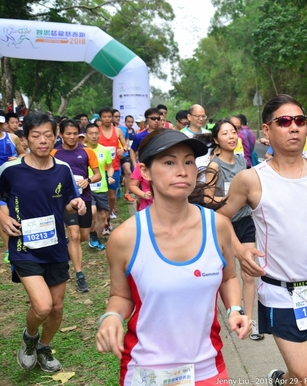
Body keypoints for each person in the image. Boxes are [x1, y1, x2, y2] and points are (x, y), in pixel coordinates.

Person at [95, 129, 250, 384]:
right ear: (145, 172)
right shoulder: (125, 238)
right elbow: (121, 296)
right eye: (169, 162)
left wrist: (234, 309)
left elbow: (229, 278)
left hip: (208, 367)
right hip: (147, 372)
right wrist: (111, 317)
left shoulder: (217, 226)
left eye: (188, 162)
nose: (182, 171)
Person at [216, 94, 307, 385]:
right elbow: (220, 217)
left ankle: (280, 381)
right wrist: (239, 251)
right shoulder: (252, 179)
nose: (294, 127)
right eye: (284, 121)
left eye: (300, 121)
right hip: (281, 293)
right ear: (266, 130)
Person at [0, 112, 86, 372]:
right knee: (42, 306)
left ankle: (43, 347)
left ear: (55, 137)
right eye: (36, 135)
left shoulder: (63, 169)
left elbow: (68, 202)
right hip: (24, 247)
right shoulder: (10, 170)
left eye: (48, 135)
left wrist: (75, 203)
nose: (43, 140)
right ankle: (29, 338)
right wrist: (2, 217)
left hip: (55, 246)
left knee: (57, 308)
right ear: (25, 139)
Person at [205, 119, 263, 341]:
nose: (231, 137)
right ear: (216, 139)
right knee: (226, 274)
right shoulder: (214, 166)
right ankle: (229, 314)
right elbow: (207, 199)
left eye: (233, 132)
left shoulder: (241, 161)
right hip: (224, 223)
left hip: (246, 221)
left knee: (248, 270)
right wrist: (233, 199)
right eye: (225, 133)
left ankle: (249, 320)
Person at [50, 119, 101, 292]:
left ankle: (67, 249)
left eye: (74, 134)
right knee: (74, 235)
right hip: (64, 200)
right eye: (68, 134)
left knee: (83, 236)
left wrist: (88, 180)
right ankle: (80, 276)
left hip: (84, 197)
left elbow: (98, 175)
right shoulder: (54, 152)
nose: (71, 137)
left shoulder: (87, 151)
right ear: (61, 134)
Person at [84, 123, 114, 250]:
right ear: (86, 135)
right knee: (92, 212)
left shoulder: (104, 150)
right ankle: (91, 234)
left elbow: (110, 167)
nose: (94, 136)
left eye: (96, 133)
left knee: (103, 215)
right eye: (91, 133)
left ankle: (95, 238)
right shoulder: (82, 150)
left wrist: (110, 176)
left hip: (102, 187)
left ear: (99, 134)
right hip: (87, 187)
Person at [0, 114, 25, 264]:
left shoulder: (12, 138)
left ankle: (21, 241)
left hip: (12, 179)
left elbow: (24, 154)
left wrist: (18, 158)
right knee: (3, 214)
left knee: (14, 211)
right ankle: (9, 249)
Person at [97, 107, 127, 219]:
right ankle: (102, 216)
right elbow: (85, 143)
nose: (107, 119)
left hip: (114, 167)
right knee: (100, 194)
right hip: (98, 168)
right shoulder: (96, 131)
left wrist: (123, 150)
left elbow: (125, 145)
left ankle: (109, 214)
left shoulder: (118, 131)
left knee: (112, 196)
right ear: (100, 118)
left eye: (109, 116)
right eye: (104, 117)